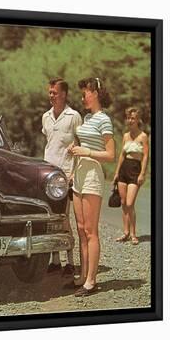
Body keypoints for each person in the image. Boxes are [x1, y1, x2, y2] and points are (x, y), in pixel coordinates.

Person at [68, 77, 115, 296]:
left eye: (85, 92)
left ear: (95, 92)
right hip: (78, 173)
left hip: (93, 175)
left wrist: (86, 152)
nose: (82, 97)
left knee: (90, 230)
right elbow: (83, 144)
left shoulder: (104, 120)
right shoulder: (87, 118)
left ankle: (92, 281)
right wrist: (75, 150)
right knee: (80, 228)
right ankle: (83, 275)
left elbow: (110, 154)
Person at [41, 78, 82, 277]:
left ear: (64, 94)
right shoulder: (46, 117)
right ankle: (54, 260)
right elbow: (50, 143)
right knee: (50, 218)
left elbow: (80, 145)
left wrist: (74, 173)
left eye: (54, 92)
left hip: (64, 176)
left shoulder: (74, 116)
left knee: (64, 218)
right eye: (50, 92)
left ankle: (71, 262)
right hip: (47, 175)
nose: (51, 95)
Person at [113, 107, 149, 245]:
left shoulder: (143, 136)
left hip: (135, 169)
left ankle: (134, 234)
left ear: (138, 119)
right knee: (123, 203)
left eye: (133, 118)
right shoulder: (126, 136)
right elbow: (122, 155)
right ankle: (125, 232)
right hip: (124, 169)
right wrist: (116, 172)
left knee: (130, 203)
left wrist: (142, 173)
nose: (130, 120)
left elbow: (146, 156)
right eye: (128, 118)